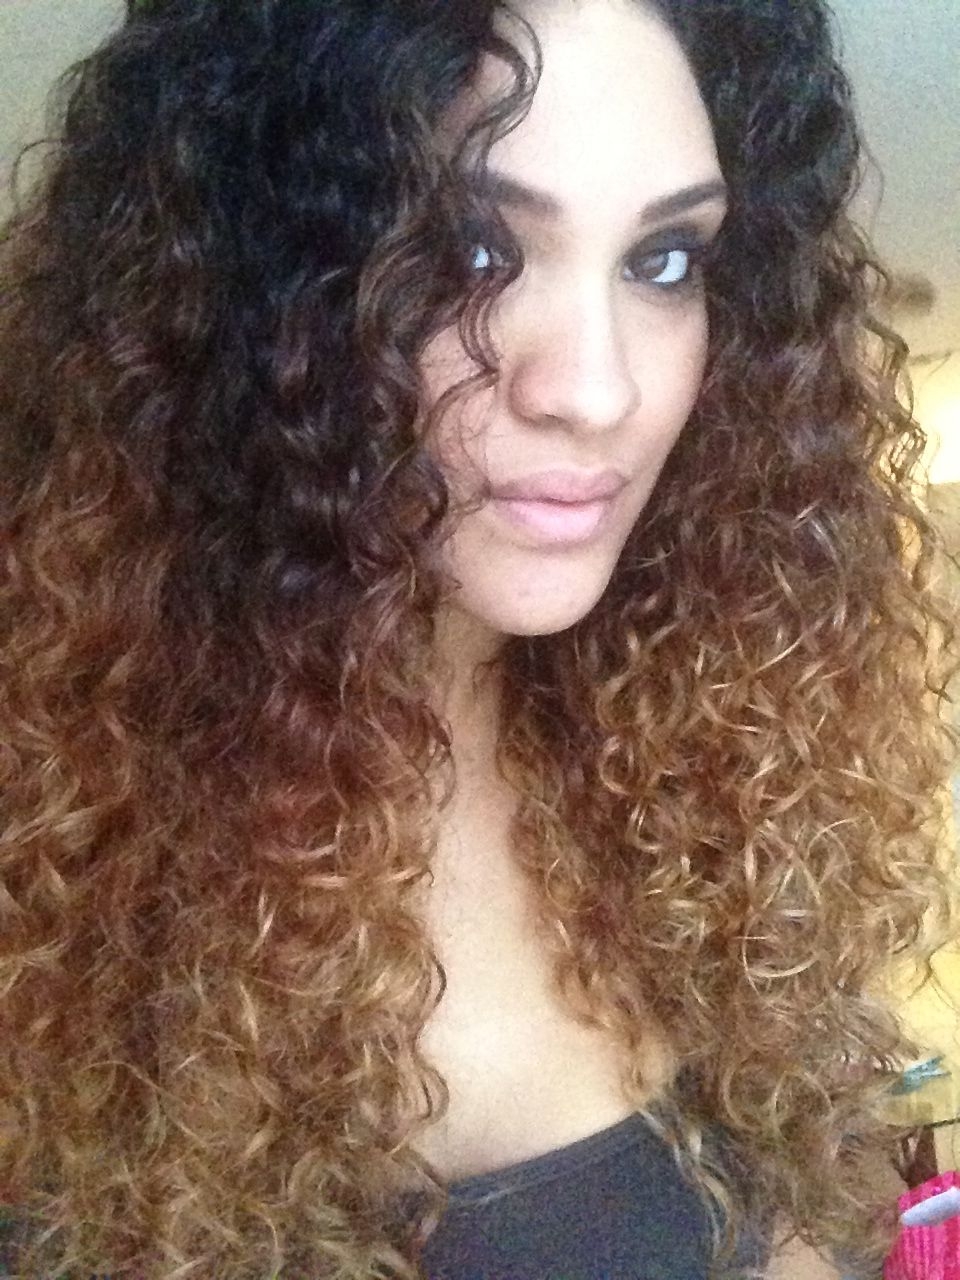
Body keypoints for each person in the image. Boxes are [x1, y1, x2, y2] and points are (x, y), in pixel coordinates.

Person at [0, 0, 956, 1276]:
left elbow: (777, 1206)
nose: (600, 390)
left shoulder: (710, 770)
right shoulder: (48, 825)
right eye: (473, 250)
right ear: (240, 292)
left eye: (665, 260)